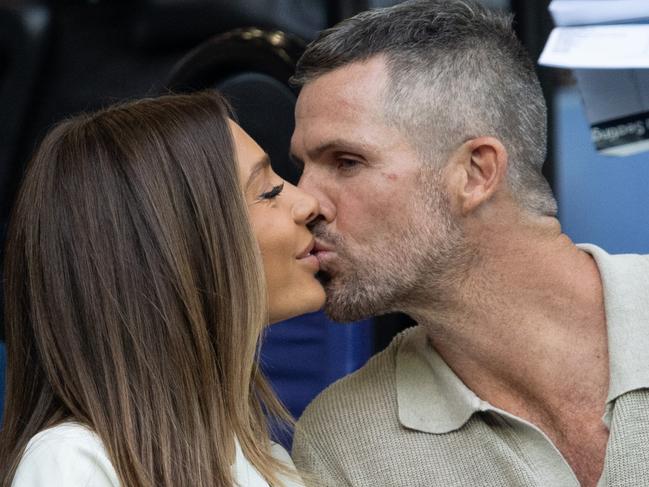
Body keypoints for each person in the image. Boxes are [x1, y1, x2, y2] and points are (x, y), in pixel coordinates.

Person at [289, 1, 649, 486]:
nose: (305, 201)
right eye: (302, 168)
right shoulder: (345, 441)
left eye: (346, 161)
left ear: (476, 172)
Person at [0, 91, 323, 486]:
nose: (308, 203)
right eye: (267, 192)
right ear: (176, 250)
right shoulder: (74, 463)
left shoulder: (265, 459)